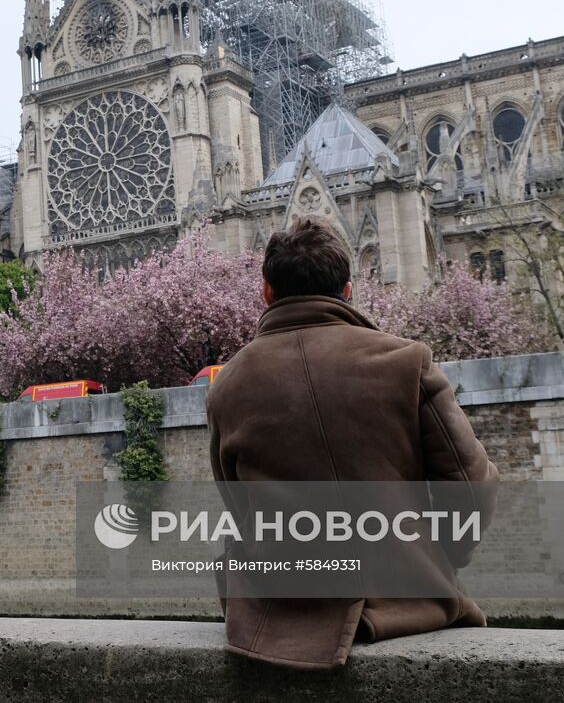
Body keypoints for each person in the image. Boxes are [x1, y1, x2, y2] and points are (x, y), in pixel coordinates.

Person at [207, 217, 498, 670]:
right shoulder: (405, 360)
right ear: (347, 289)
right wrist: (439, 556)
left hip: (276, 618)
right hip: (408, 600)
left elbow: (237, 504)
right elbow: (471, 481)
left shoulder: (228, 384)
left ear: (266, 291)